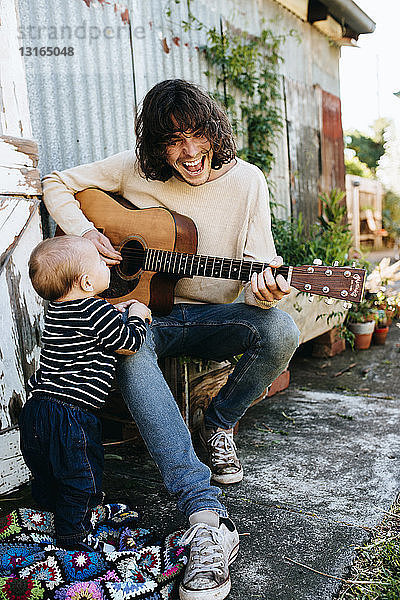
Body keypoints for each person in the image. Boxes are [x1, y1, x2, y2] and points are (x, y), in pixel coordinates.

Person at [41, 79, 300, 600]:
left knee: (283, 329)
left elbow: (261, 266)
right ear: (156, 146)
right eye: (172, 141)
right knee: (129, 344)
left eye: (195, 134)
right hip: (144, 314)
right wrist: (86, 234)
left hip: (217, 314)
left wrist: (268, 291)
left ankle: (220, 424)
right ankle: (204, 515)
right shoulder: (131, 170)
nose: (187, 152)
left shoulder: (247, 181)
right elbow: (55, 182)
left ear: (213, 130)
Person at [19, 235, 150, 552]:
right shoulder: (96, 310)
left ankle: (51, 514)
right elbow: (128, 342)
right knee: (82, 475)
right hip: (73, 414)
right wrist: (138, 315)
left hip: (37, 409)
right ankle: (71, 542)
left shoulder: (55, 311)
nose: (108, 263)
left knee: (49, 472)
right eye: (101, 261)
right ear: (88, 281)